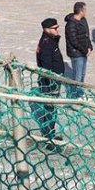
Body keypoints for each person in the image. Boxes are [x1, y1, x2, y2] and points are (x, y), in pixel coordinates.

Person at [34, 18, 66, 147]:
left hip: (53, 80)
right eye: (55, 28)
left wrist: (56, 38)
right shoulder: (46, 44)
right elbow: (47, 68)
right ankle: (49, 138)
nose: (57, 30)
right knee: (49, 108)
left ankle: (50, 134)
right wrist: (53, 85)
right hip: (49, 82)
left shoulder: (50, 41)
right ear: (46, 29)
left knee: (51, 108)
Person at [64, 1, 92, 99]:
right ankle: (73, 97)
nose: (86, 11)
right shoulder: (70, 24)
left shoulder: (83, 20)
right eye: (85, 9)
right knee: (77, 76)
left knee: (82, 74)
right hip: (76, 54)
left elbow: (86, 35)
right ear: (81, 11)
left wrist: (90, 47)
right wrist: (85, 51)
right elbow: (74, 42)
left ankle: (79, 94)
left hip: (84, 52)